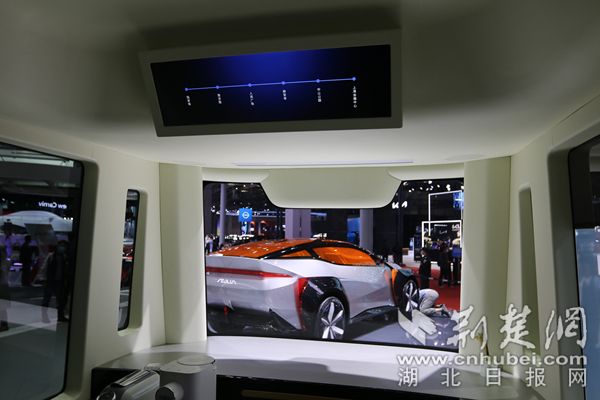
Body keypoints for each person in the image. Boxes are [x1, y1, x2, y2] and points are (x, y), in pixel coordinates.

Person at [42, 241, 69, 322]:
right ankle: (45, 317)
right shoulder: (51, 256)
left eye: (64, 246)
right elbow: (44, 267)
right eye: (61, 246)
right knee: (47, 299)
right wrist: (44, 278)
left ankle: (60, 316)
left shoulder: (64, 257)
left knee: (60, 300)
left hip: (59, 281)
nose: (62, 248)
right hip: (50, 281)